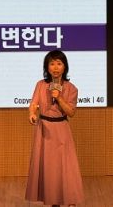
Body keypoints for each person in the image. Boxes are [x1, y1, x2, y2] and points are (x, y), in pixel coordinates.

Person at [25, 50, 84, 207]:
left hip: (61, 130)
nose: (55, 67)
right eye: (52, 64)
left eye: (59, 63)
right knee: (49, 169)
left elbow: (71, 112)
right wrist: (32, 113)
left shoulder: (71, 88)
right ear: (47, 67)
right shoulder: (40, 84)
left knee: (65, 167)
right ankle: (53, 201)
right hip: (44, 130)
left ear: (65, 67)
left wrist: (59, 97)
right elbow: (34, 103)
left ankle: (70, 201)